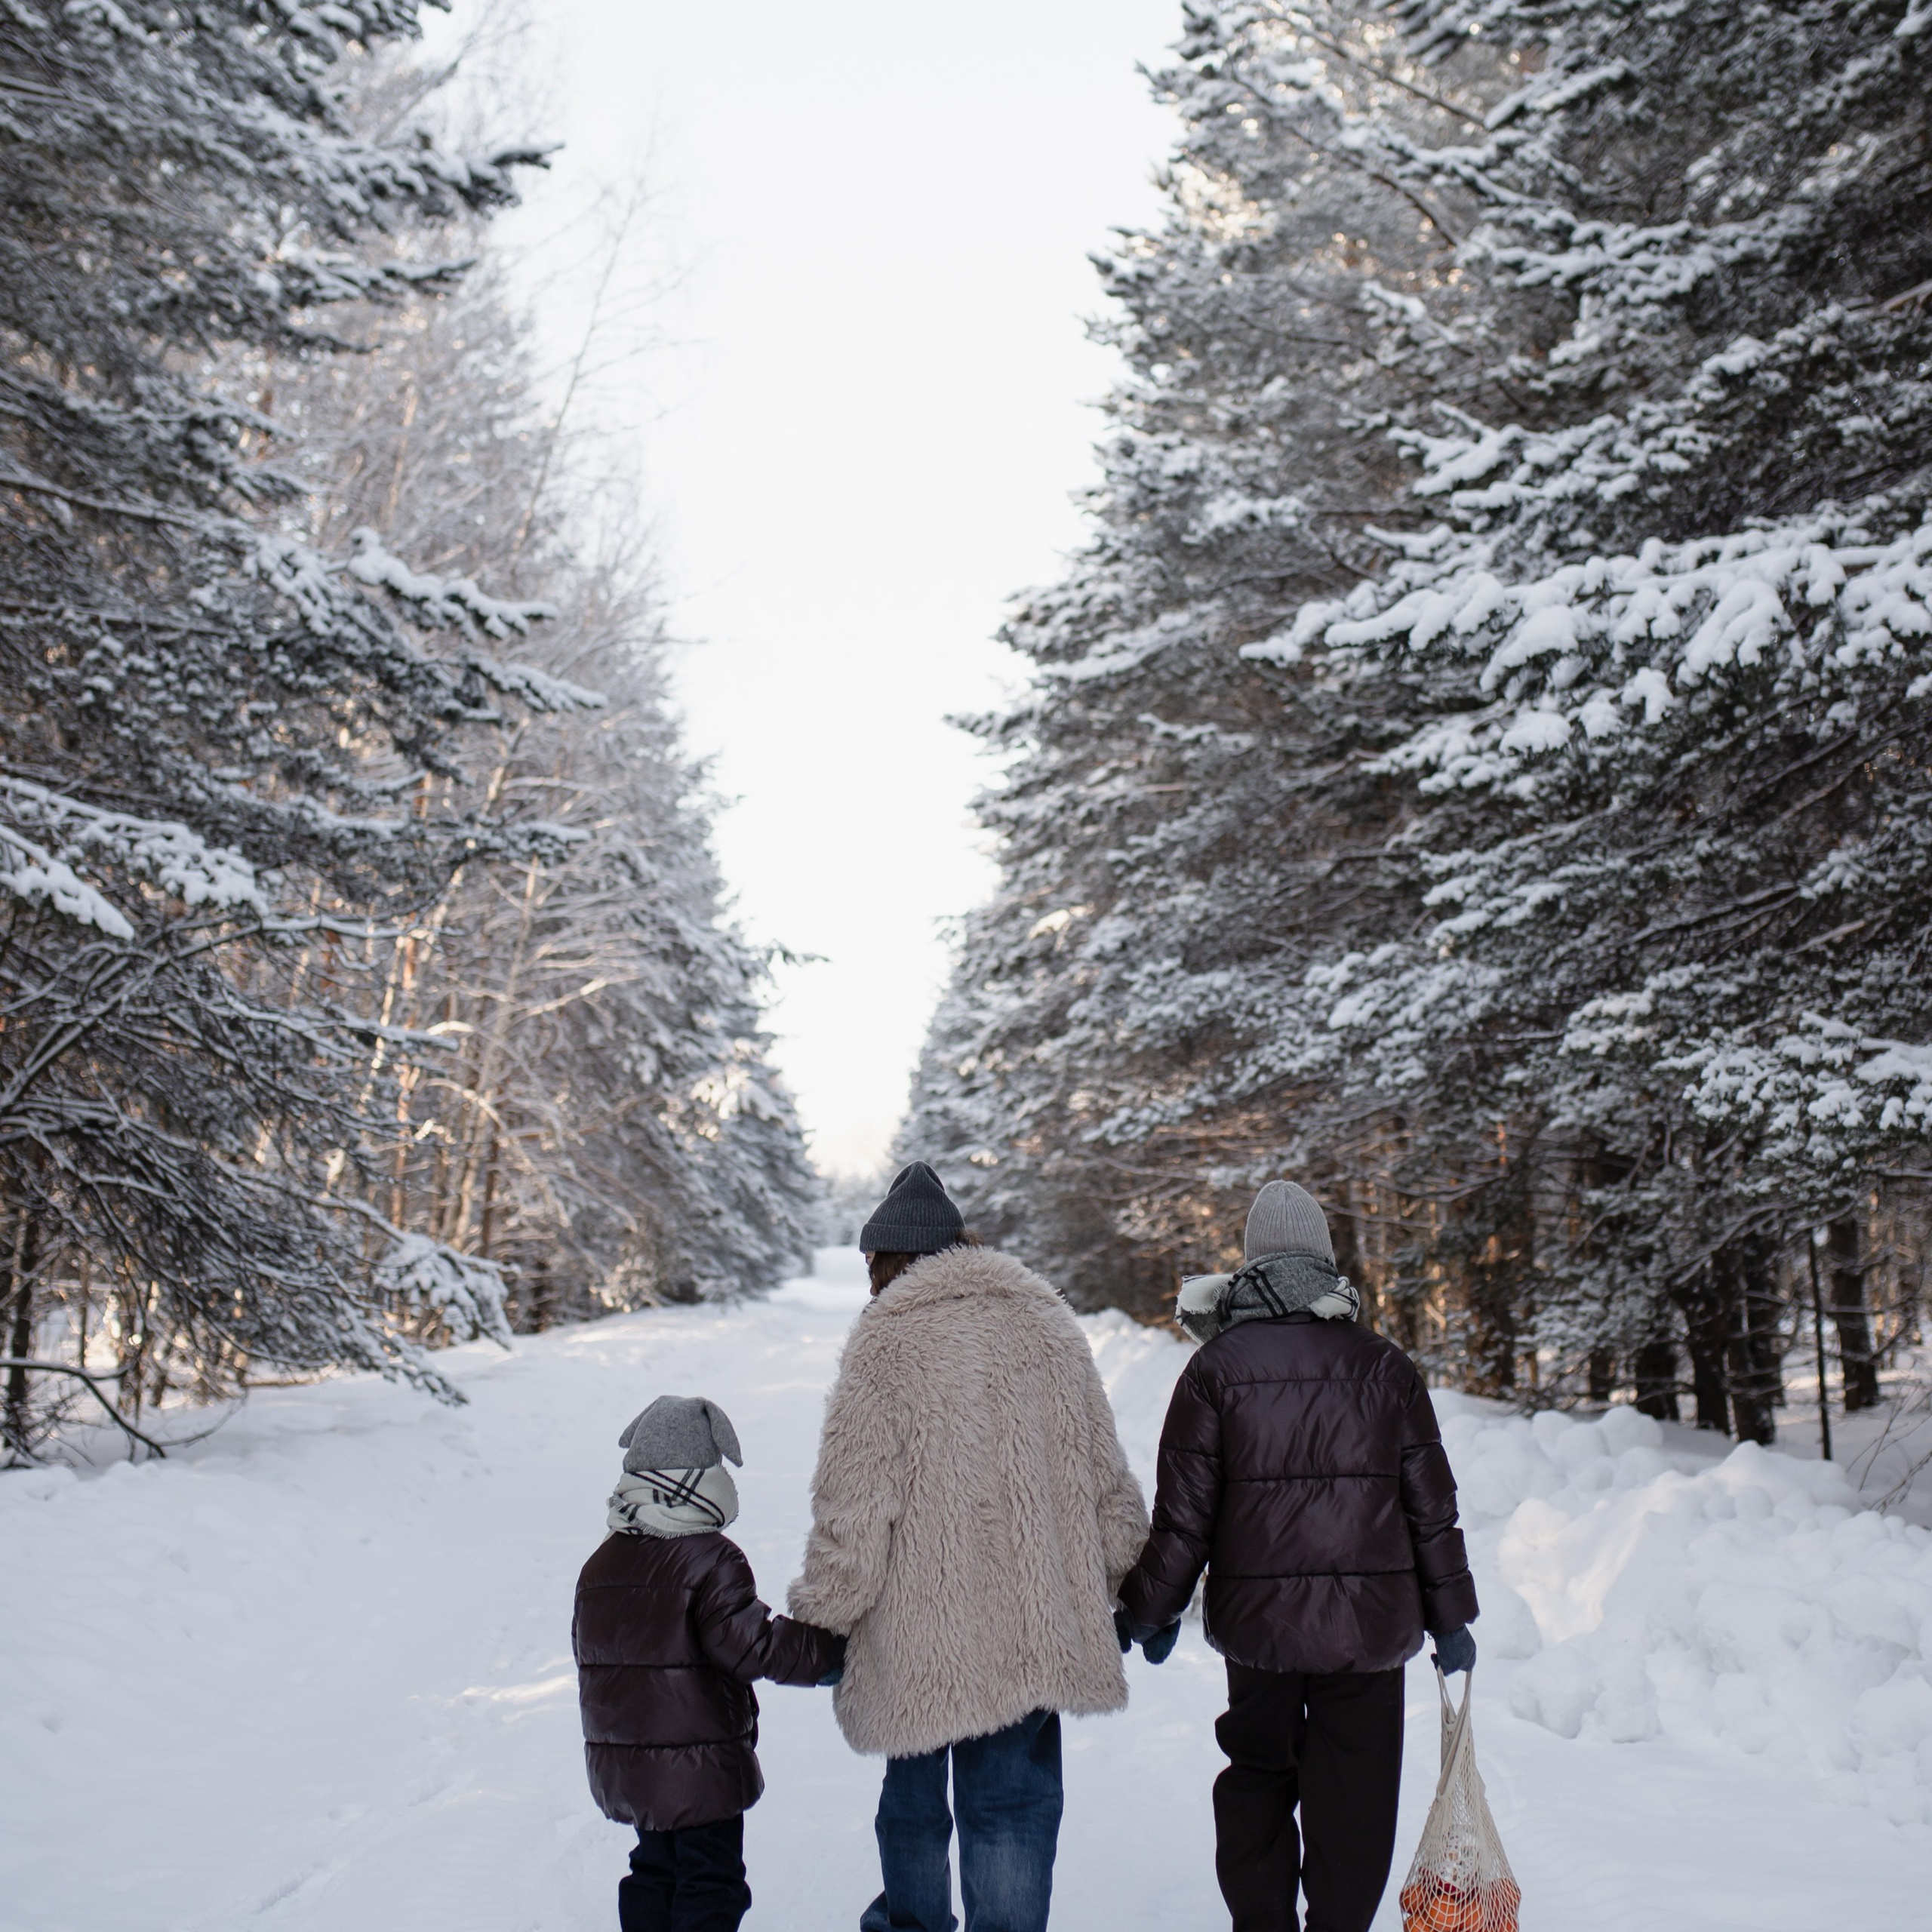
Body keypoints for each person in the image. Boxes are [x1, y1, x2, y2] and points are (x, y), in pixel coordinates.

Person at [788, 1161, 1151, 1932]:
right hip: (1032, 1619)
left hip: (918, 1629)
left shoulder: (885, 1340)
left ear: (883, 1261)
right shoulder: (1047, 1324)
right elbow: (1101, 1470)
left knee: (914, 1804)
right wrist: (1131, 1578)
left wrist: (827, 1611)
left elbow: (854, 1498)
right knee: (1013, 1805)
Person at [1118, 1180, 1478, 1932]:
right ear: (1325, 1261)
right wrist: (1450, 1617)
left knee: (1256, 1773)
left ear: (1250, 1264)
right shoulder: (1385, 1366)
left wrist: (1149, 1611)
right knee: (1357, 1792)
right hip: (1370, 1630)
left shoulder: (1215, 1370)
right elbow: (1431, 1507)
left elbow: (1183, 1519)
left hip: (1260, 1629)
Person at [574, 1394, 846, 1932]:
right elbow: (749, 1644)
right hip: (698, 1767)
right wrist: (832, 1653)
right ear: (704, 1477)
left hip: (629, 1765)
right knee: (710, 1880)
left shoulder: (601, 1563)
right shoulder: (709, 1556)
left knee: (654, 1870)